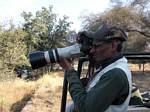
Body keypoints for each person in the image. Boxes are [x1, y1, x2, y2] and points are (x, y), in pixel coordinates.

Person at [59, 23, 132, 112]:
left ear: (113, 46)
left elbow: (85, 108)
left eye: (97, 46)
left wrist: (69, 70)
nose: (92, 50)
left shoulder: (116, 74)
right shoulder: (108, 66)